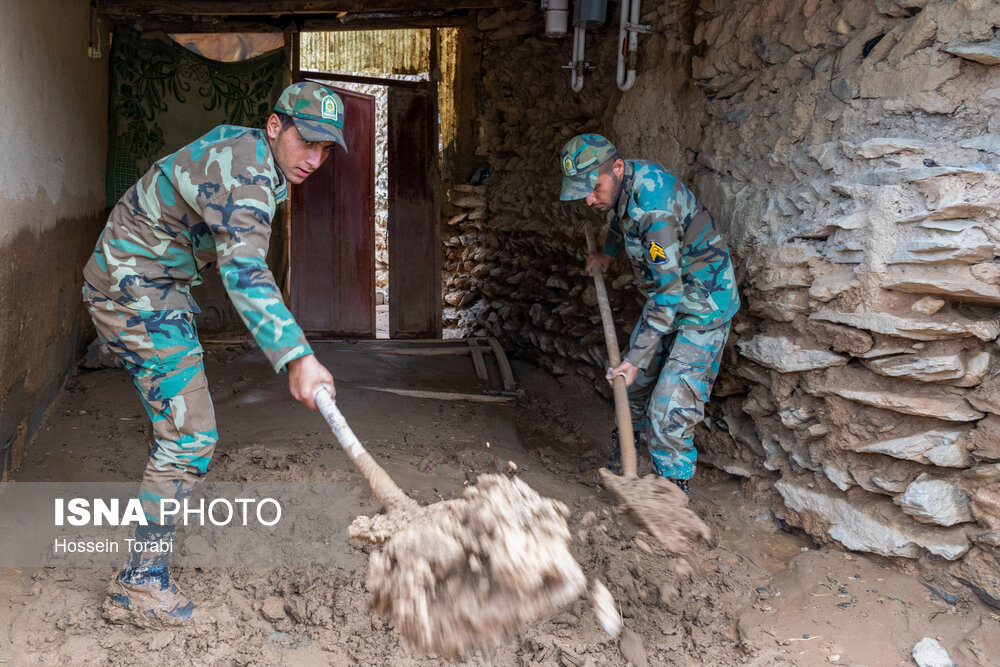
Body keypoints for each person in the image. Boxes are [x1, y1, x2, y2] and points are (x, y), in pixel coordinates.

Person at [82, 82, 347, 623]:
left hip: (151, 286)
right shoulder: (245, 172)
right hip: (132, 290)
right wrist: (298, 356)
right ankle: (139, 582)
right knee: (190, 435)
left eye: (326, 149)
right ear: (275, 127)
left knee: (183, 426)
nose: (315, 159)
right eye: (307, 142)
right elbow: (245, 271)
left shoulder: (256, 157)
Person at [559, 134, 740, 494]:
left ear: (618, 168)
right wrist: (608, 254)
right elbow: (620, 221)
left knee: (669, 407)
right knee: (634, 386)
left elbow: (669, 293)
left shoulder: (655, 208)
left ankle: (672, 493)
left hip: (703, 305)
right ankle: (628, 456)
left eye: (593, 187)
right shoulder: (625, 186)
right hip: (667, 300)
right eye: (583, 192)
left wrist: (635, 358)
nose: (589, 199)